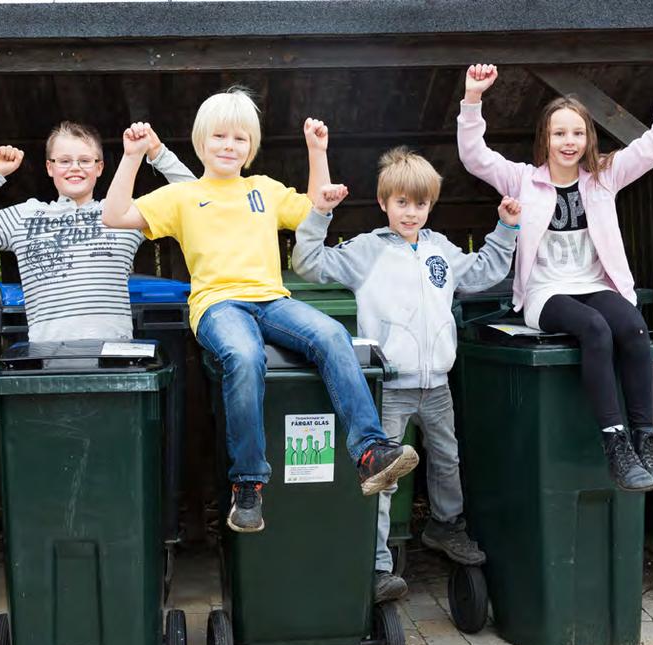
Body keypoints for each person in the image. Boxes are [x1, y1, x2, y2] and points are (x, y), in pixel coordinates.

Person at [101, 87, 418, 536]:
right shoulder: (184, 196)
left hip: (271, 300)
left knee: (331, 336)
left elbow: (315, 206)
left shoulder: (263, 190)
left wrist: (317, 150)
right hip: (218, 304)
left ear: (251, 147)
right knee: (245, 357)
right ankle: (248, 485)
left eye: (240, 139)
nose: (229, 146)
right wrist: (132, 156)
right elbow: (114, 215)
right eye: (219, 138)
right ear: (201, 142)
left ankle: (370, 453)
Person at [292, 145, 520, 601]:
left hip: (437, 386)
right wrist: (319, 215)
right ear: (384, 203)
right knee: (384, 476)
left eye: (420, 204)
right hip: (390, 387)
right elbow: (308, 263)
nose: (411, 212)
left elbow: (481, 273)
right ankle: (378, 563)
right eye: (401, 203)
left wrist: (507, 227)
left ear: (430, 206)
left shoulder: (440, 250)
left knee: (447, 459)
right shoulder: (367, 251)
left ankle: (446, 525)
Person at [457, 54, 653, 491]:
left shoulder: (604, 177)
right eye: (560, 132)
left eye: (578, 132)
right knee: (595, 331)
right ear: (545, 137)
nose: (570, 141)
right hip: (546, 294)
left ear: (588, 138)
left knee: (635, 329)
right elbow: (474, 157)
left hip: (594, 285)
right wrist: (472, 100)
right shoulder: (523, 180)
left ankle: (646, 442)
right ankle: (615, 445)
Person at [0, 121, 194, 342]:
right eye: (65, 161)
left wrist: (158, 152)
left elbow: (198, 204)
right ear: (50, 168)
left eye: (85, 161)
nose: (75, 168)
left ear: (99, 168)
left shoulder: (125, 214)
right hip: (47, 355)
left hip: (113, 352)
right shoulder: (24, 216)